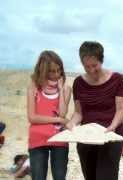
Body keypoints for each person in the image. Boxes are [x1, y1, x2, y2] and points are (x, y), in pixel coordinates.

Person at [66, 41, 123, 180]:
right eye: (86, 66)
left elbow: (121, 110)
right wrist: (71, 124)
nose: (91, 70)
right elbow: (78, 113)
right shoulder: (78, 83)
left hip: (110, 136)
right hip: (86, 137)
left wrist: (112, 127)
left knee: (106, 177)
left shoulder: (117, 80)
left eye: (95, 65)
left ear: (102, 60)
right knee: (90, 176)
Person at [27, 50, 71, 180]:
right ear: (43, 70)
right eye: (52, 71)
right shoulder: (33, 87)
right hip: (38, 139)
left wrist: (61, 90)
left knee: (59, 178)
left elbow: (63, 112)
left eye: (59, 70)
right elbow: (32, 117)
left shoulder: (66, 89)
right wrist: (58, 119)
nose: (56, 74)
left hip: (60, 139)